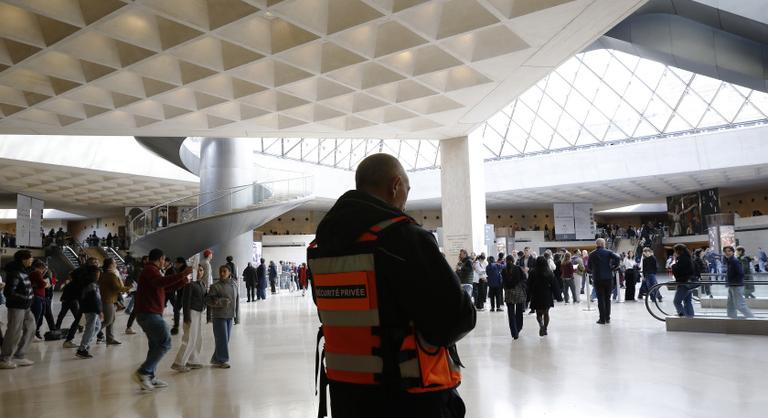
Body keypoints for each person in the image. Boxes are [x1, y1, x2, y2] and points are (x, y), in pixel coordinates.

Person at [307, 153, 475, 418]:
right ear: (395, 185)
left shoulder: (321, 246)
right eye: (407, 189)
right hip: (408, 399)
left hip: (346, 396)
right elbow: (456, 319)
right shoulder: (405, 238)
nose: (406, 198)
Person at [132, 248, 192, 392]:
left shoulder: (152, 271)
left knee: (155, 345)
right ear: (160, 259)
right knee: (166, 342)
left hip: (151, 313)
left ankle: (149, 377)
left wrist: (182, 281)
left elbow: (163, 288)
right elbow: (160, 283)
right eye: (164, 260)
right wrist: (181, 274)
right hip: (148, 313)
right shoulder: (150, 270)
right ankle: (144, 372)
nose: (164, 262)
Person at [0, 250, 35, 369]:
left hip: (26, 307)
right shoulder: (15, 272)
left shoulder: (23, 271)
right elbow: (9, 292)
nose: (32, 260)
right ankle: (4, 359)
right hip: (17, 307)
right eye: (30, 258)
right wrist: (24, 298)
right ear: (23, 259)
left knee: (31, 328)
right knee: (13, 331)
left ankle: (19, 356)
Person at [172, 264, 207, 372]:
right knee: (189, 338)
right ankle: (179, 362)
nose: (199, 272)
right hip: (191, 313)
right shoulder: (189, 285)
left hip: (199, 313)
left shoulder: (202, 284)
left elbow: (205, 298)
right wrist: (187, 317)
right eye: (197, 270)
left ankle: (192, 360)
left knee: (197, 338)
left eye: (201, 270)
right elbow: (185, 302)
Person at [59, 257, 100, 348]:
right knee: (82, 319)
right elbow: (84, 286)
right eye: (95, 262)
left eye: (97, 263)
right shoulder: (86, 273)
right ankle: (75, 341)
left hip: (77, 297)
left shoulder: (82, 271)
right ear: (90, 263)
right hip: (78, 297)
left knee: (83, 319)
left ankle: (98, 336)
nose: (97, 264)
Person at [207, 265, 240, 368]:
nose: (222, 273)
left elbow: (237, 301)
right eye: (220, 271)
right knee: (222, 339)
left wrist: (237, 316)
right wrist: (221, 302)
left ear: (229, 272)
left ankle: (216, 359)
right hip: (219, 316)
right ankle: (222, 360)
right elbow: (208, 300)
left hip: (229, 316)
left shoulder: (234, 285)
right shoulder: (215, 286)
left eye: (224, 271)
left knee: (225, 339)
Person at [98, 258, 130, 345]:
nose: (116, 264)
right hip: (108, 300)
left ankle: (110, 339)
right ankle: (94, 330)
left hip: (108, 299)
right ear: (110, 265)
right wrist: (129, 288)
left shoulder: (105, 273)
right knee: (108, 320)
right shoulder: (111, 275)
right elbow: (117, 288)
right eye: (114, 263)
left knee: (111, 320)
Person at [588, 238, 620, 325]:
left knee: (600, 299)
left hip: (598, 279)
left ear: (596, 244)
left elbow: (589, 267)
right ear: (603, 244)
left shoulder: (592, 254)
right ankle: (607, 318)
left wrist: (593, 271)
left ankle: (602, 319)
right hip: (608, 278)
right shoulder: (608, 252)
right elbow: (617, 257)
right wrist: (614, 267)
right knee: (607, 298)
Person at [527, 256, 561, 336]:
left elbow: (529, 284)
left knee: (538, 313)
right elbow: (554, 285)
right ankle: (545, 328)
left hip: (536, 294)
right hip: (547, 294)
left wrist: (528, 296)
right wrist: (558, 296)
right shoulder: (549, 272)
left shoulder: (532, 271)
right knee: (546, 313)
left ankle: (541, 325)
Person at [76, 265, 102, 359]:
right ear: (94, 274)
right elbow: (94, 299)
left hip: (91, 308)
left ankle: (85, 346)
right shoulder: (91, 284)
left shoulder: (90, 283)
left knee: (97, 327)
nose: (99, 274)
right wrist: (99, 311)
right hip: (91, 309)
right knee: (90, 328)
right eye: (98, 273)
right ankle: (82, 349)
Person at [723, 246, 755, 319]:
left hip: (736, 285)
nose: (727, 253)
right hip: (732, 285)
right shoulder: (729, 261)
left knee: (740, 304)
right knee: (730, 304)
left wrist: (734, 282)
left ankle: (752, 318)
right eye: (725, 251)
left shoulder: (734, 261)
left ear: (733, 252)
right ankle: (732, 318)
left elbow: (741, 273)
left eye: (729, 251)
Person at [502, 255, 527, 339]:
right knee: (519, 312)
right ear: (513, 260)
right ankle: (518, 328)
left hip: (509, 293)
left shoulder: (504, 270)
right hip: (518, 292)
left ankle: (514, 332)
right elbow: (524, 278)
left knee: (511, 313)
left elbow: (503, 282)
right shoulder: (518, 268)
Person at [671, 244, 695, 318]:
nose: (674, 253)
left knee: (676, 301)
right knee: (687, 301)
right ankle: (690, 318)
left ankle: (683, 317)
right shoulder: (688, 258)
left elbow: (679, 271)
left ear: (678, 251)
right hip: (689, 283)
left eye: (675, 251)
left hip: (684, 283)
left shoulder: (682, 259)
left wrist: (674, 265)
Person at [28, 260, 49, 341]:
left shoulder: (37, 273)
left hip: (39, 297)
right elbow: (42, 284)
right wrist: (46, 284)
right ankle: (32, 334)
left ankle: (35, 332)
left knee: (39, 315)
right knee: (37, 316)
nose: (44, 270)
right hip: (37, 297)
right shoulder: (36, 273)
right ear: (41, 268)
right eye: (44, 269)